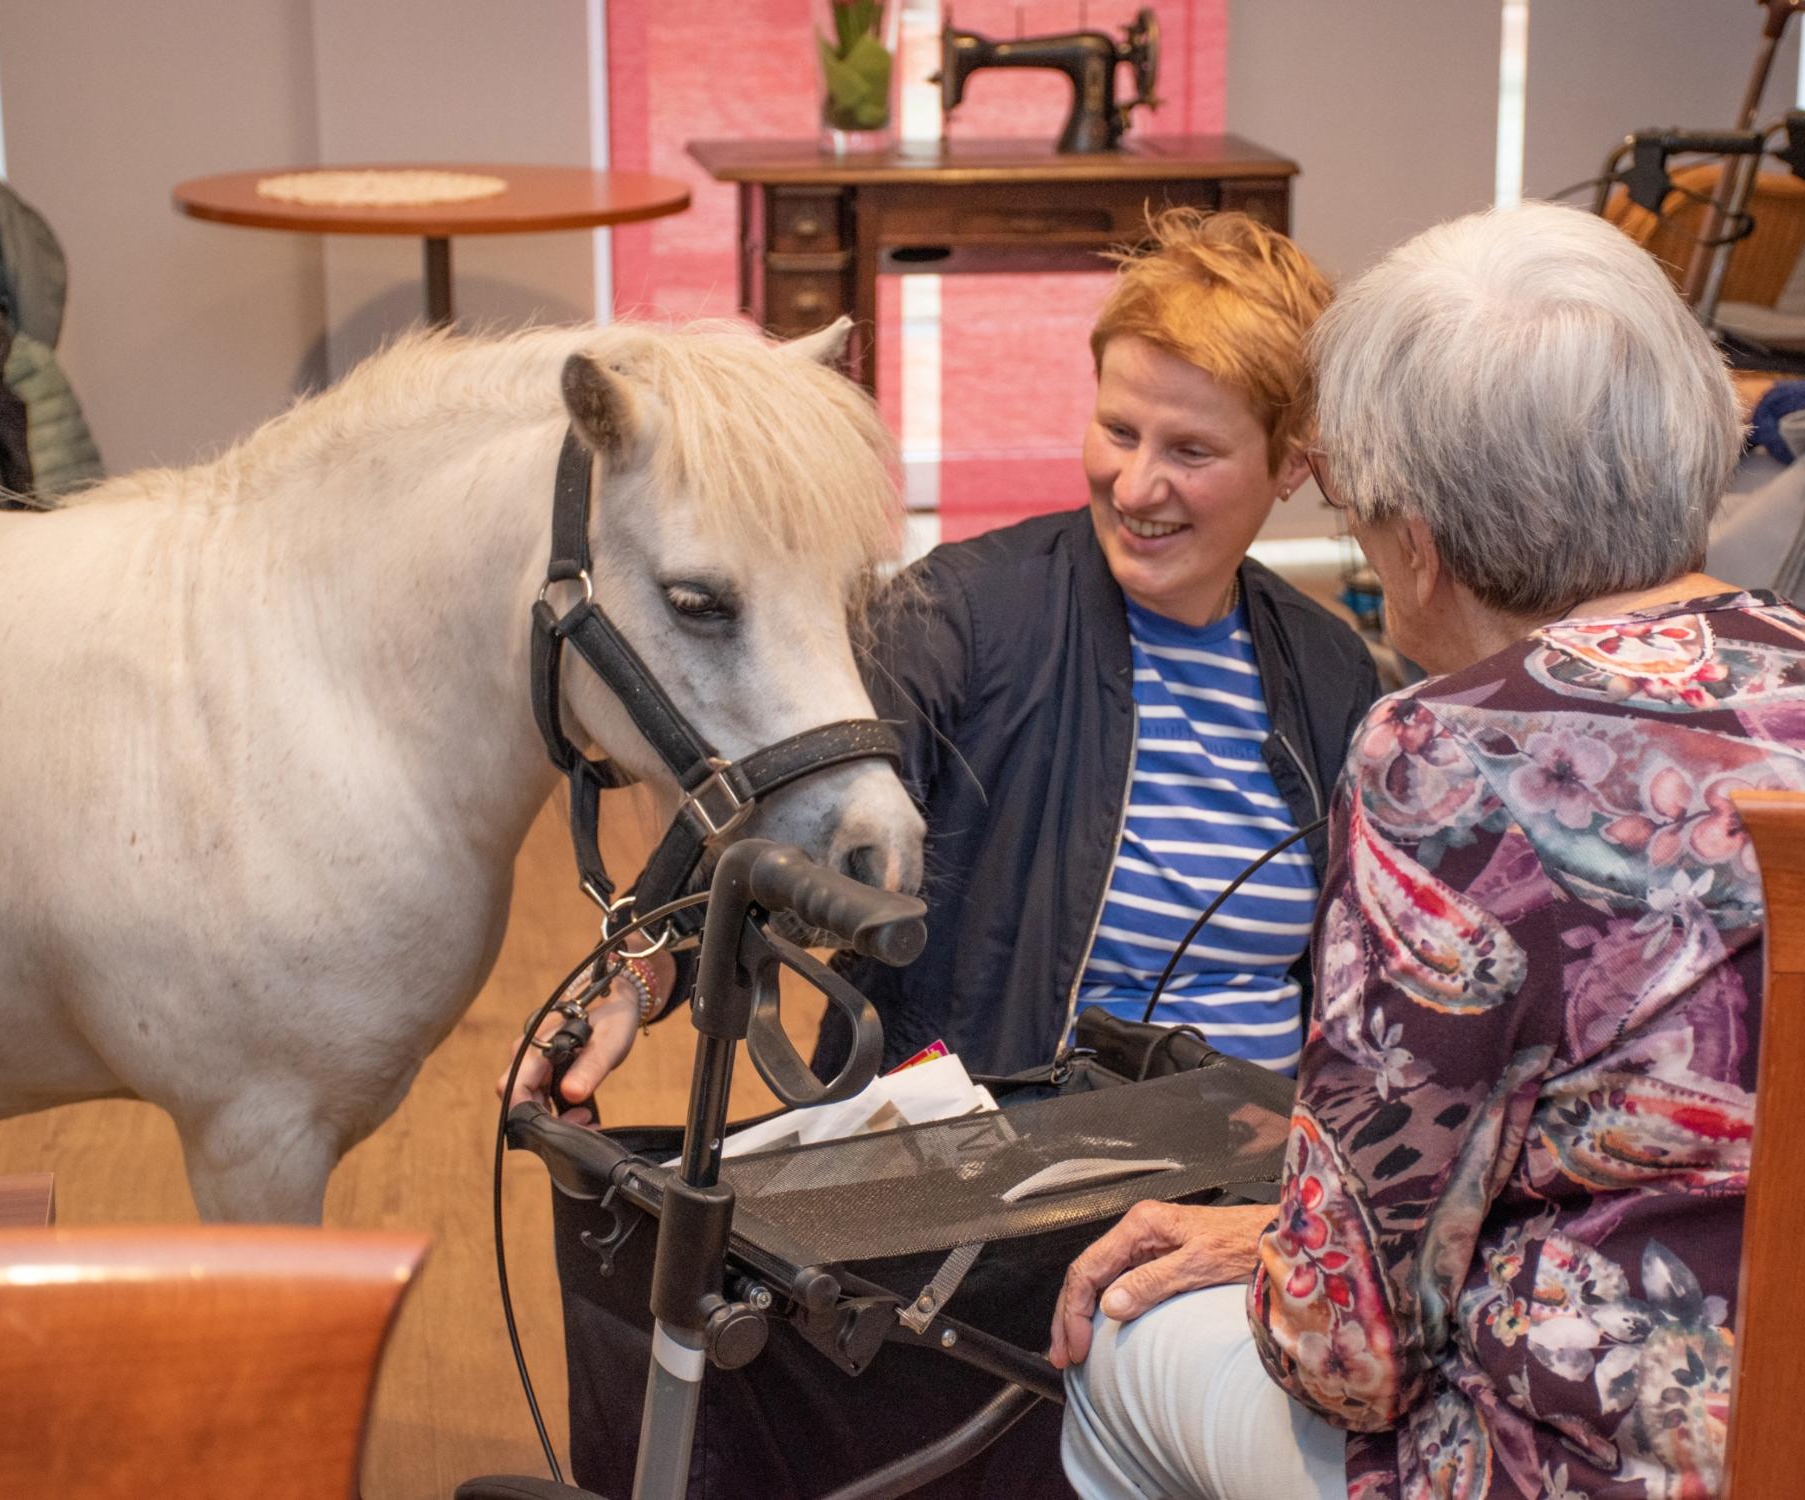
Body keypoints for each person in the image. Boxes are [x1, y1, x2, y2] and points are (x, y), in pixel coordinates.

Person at [510, 211, 1382, 1500]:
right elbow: (783, 838)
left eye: (1192, 451)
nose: (1137, 484)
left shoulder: (1326, 668)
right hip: (1017, 1182)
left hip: (1250, 1173)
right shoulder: (965, 613)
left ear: (1293, 462)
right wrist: (634, 984)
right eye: (1119, 429)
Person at [1052, 200, 1780, 1500]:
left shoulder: (1450, 753)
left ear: (1421, 547)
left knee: (1124, 1348)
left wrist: (1304, 1253)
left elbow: (1345, 1355)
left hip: (1602, 1461)